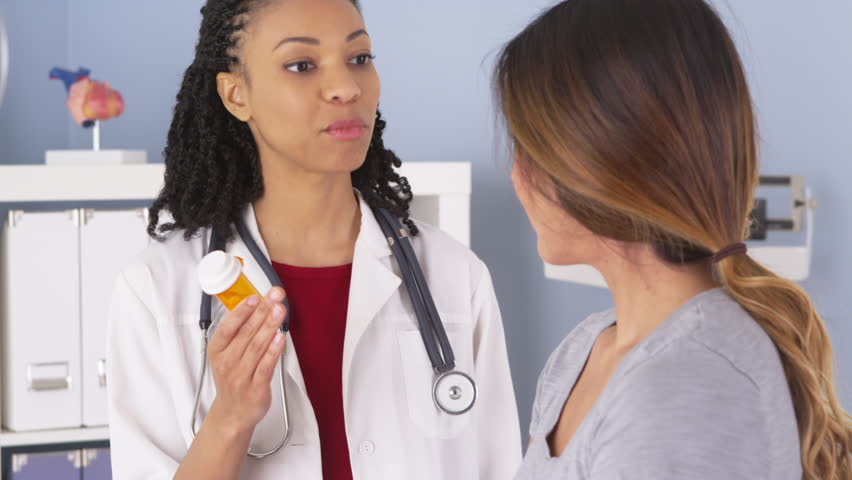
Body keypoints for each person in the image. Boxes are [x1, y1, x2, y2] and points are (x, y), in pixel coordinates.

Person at [106, 0, 521, 478]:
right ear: (236, 94)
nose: (346, 87)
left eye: (359, 58)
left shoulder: (453, 274)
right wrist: (231, 419)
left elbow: (501, 466)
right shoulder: (156, 290)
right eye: (301, 65)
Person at [493, 0, 852, 478]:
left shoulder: (684, 384)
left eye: (527, 146)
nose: (516, 174)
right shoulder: (583, 350)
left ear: (596, 163)